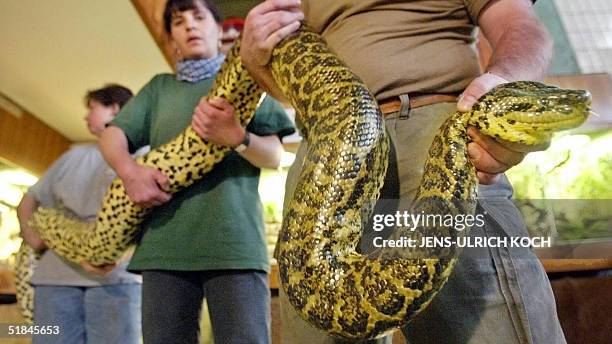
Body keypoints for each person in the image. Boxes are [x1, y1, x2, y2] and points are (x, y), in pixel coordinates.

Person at [240, 0, 566, 343]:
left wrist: (502, 87)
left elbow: (521, 27)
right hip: (325, 155)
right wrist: (255, 61)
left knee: (491, 328)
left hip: (435, 130)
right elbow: (292, 88)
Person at [97, 0, 295, 343]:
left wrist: (237, 136)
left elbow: (275, 156)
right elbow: (113, 135)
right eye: (178, 21)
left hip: (235, 247)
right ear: (172, 36)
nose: (189, 25)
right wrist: (129, 172)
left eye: (198, 16)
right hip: (163, 248)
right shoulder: (159, 87)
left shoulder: (250, 80)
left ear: (219, 29)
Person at [17, 84, 142, 344]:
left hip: (116, 279)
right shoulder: (73, 156)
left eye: (93, 109)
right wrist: (34, 239)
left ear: (115, 109)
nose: (86, 117)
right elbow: (28, 202)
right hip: (56, 279)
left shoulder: (144, 156)